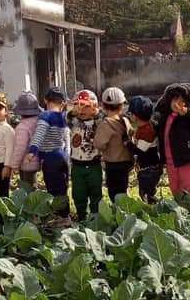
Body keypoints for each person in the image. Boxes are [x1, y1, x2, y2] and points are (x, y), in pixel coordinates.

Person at [155, 83, 190, 196]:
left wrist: (187, 112)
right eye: (175, 100)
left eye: (182, 101)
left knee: (188, 183)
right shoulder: (165, 116)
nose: (178, 104)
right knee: (174, 184)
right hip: (170, 160)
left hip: (185, 158)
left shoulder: (188, 116)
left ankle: (189, 201)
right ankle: (178, 200)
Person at [29, 87, 71, 220]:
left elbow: (39, 134)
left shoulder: (46, 116)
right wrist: (67, 157)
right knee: (63, 187)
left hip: (50, 158)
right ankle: (65, 214)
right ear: (63, 103)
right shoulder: (64, 117)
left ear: (45, 100)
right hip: (63, 156)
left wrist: (32, 150)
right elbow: (67, 138)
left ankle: (60, 217)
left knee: (53, 188)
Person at [67, 89, 104, 219]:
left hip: (94, 164)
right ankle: (81, 215)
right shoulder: (74, 122)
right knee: (78, 193)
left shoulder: (98, 122)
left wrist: (96, 112)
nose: (82, 110)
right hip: (77, 165)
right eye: (78, 105)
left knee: (96, 191)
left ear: (94, 107)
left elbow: (103, 117)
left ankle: (95, 215)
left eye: (86, 106)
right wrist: (73, 110)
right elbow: (66, 116)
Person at [94, 87, 133, 203]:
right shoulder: (125, 121)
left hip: (113, 164)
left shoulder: (106, 124)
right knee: (123, 189)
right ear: (122, 105)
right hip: (126, 162)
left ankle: (118, 210)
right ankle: (125, 208)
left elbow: (99, 144)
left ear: (103, 106)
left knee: (114, 192)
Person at [128, 96, 163, 204]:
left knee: (147, 194)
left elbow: (140, 150)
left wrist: (128, 143)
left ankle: (155, 209)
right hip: (148, 168)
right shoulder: (144, 127)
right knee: (146, 192)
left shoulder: (147, 130)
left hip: (149, 169)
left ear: (135, 116)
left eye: (130, 114)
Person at [7, 92, 41, 190]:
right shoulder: (39, 122)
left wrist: (14, 165)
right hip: (38, 160)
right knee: (33, 185)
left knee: (27, 189)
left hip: (26, 163)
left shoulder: (22, 127)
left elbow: (20, 148)